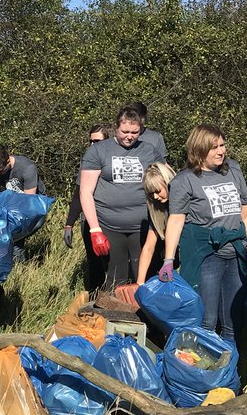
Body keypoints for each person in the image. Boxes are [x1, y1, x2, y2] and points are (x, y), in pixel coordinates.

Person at [158, 126, 247, 347]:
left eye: (222, 145)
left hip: (236, 253)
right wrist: (168, 259)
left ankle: (228, 372)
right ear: (199, 149)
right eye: (214, 147)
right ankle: (201, 371)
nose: (221, 151)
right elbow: (176, 220)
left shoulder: (233, 169)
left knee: (233, 321)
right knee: (207, 319)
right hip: (206, 256)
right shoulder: (185, 180)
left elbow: (246, 212)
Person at [78, 105, 168, 287]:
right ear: (116, 128)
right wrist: (94, 229)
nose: (129, 136)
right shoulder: (98, 151)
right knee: (115, 276)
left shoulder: (149, 151)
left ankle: (142, 313)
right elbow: (85, 191)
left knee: (143, 275)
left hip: (142, 225)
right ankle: (111, 313)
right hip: (109, 225)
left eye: (135, 132)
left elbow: (165, 179)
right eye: (125, 131)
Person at [64, 124, 111, 290]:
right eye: (90, 141)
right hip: (90, 221)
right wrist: (69, 224)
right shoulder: (89, 160)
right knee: (94, 263)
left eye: (97, 141)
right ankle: (94, 298)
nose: (92, 145)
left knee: (113, 263)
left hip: (113, 219)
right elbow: (79, 192)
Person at [136, 162, 177, 282]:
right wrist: (140, 282)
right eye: (151, 193)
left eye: (158, 191)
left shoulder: (188, 203)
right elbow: (149, 247)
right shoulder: (158, 209)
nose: (155, 197)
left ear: (167, 182)